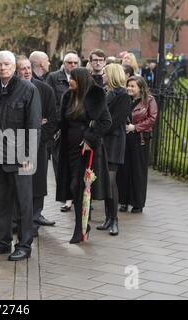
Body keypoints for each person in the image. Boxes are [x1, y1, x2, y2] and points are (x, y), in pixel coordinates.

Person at [0, 50, 41, 261]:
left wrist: (29, 155)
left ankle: (24, 245)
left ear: (14, 67)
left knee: (23, 203)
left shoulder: (28, 89)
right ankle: (2, 241)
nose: (3, 68)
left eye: (7, 64)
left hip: (21, 158)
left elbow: (34, 125)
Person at [56, 67, 112, 244]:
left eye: (72, 78)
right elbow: (61, 120)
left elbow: (106, 122)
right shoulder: (68, 96)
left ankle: (80, 228)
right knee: (73, 189)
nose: (69, 81)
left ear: (80, 80)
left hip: (85, 152)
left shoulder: (95, 96)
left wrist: (89, 138)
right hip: (69, 149)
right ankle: (82, 224)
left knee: (79, 188)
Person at [16, 56, 58, 236]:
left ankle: (34, 219)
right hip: (16, 144)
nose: (26, 72)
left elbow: (53, 120)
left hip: (38, 144)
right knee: (18, 183)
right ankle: (17, 220)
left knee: (37, 183)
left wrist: (40, 139)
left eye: (28, 68)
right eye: (22, 69)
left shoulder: (44, 89)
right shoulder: (13, 90)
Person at [96, 64, 131, 236]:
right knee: (104, 181)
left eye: (105, 73)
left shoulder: (123, 96)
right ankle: (108, 217)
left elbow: (114, 121)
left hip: (114, 143)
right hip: (103, 142)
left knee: (111, 181)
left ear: (112, 75)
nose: (102, 76)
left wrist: (97, 128)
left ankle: (115, 219)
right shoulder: (107, 93)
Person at [118, 76, 158, 214]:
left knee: (138, 171)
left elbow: (152, 118)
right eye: (128, 85)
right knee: (123, 170)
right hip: (124, 138)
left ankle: (137, 203)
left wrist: (135, 127)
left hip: (140, 139)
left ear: (140, 88)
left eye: (132, 86)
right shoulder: (124, 99)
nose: (129, 88)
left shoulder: (149, 100)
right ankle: (123, 201)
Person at [47, 52, 80, 213]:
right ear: (64, 63)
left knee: (76, 166)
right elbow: (49, 100)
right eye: (69, 62)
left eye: (75, 62)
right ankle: (66, 197)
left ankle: (76, 196)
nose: (72, 65)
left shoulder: (82, 78)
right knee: (60, 164)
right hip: (59, 128)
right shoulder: (54, 77)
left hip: (76, 129)